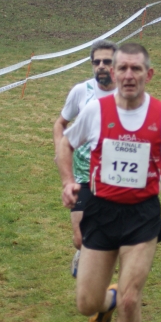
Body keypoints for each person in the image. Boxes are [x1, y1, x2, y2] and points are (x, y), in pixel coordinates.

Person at [56, 43, 161, 322]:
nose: (128, 75)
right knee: (86, 303)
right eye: (122, 68)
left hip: (142, 215)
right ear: (113, 72)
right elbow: (67, 143)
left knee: (130, 300)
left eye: (136, 68)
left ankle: (120, 299)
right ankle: (107, 301)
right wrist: (68, 183)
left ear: (148, 75)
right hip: (101, 213)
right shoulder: (96, 111)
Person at [53, 41, 119, 278]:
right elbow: (60, 123)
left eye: (107, 61)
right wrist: (60, 151)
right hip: (82, 174)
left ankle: (101, 282)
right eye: (96, 62)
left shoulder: (129, 93)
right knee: (80, 238)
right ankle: (86, 252)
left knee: (113, 235)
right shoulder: (81, 91)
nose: (101, 66)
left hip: (116, 176)